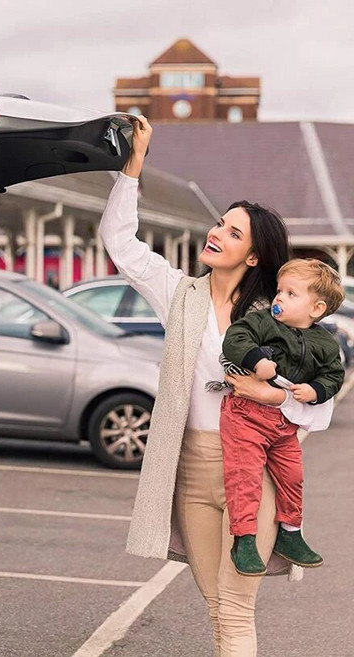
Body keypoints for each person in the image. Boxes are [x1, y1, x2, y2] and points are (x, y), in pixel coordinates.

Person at [100, 115, 333, 656]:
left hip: (253, 469)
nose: (216, 233)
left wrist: (271, 395)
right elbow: (120, 242)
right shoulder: (179, 294)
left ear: (253, 256)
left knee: (235, 609)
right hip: (191, 469)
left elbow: (319, 403)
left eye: (233, 232)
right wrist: (133, 166)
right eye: (220, 223)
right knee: (216, 605)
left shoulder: (277, 315)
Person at [213, 258, 345, 575]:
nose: (279, 298)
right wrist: (257, 360)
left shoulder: (325, 343)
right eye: (280, 291)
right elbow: (235, 337)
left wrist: (315, 390)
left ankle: (290, 533)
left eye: (291, 293)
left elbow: (334, 375)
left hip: (284, 424)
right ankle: (244, 540)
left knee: (293, 476)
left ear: (316, 309)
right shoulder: (263, 323)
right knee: (245, 478)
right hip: (246, 417)